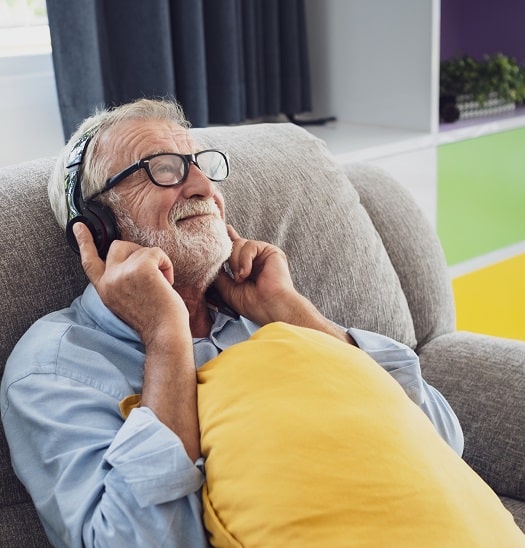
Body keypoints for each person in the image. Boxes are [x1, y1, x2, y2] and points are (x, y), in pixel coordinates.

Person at [1, 98, 463, 547]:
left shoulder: (260, 315)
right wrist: (166, 338)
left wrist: (287, 308)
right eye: (164, 168)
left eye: (201, 164)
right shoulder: (53, 366)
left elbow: (441, 441)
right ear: (99, 225)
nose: (204, 186)